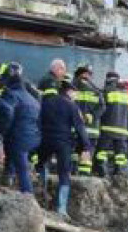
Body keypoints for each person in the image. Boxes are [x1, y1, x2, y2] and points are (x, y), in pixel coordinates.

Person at [37, 76, 91, 216]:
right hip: (63, 143)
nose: (75, 94)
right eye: (74, 91)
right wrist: (86, 147)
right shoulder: (71, 106)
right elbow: (80, 128)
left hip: (45, 140)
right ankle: (61, 209)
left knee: (41, 165)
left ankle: (41, 195)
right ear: (68, 91)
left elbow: (38, 121)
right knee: (64, 174)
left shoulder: (46, 102)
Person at [0, 63, 41, 195]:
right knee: (16, 156)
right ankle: (9, 177)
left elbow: (7, 114)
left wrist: (0, 132)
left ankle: (28, 196)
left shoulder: (12, 95)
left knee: (22, 169)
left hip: (20, 137)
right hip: (34, 137)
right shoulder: (32, 99)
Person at [96, 71, 128, 177]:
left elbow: (101, 108)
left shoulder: (106, 91)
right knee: (121, 154)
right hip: (122, 130)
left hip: (107, 128)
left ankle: (102, 172)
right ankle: (120, 174)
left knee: (101, 152)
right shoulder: (126, 94)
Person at [72, 63, 103, 176]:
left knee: (81, 153)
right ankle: (79, 174)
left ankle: (80, 175)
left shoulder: (94, 90)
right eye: (85, 73)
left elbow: (102, 107)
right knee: (79, 153)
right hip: (85, 129)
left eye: (88, 74)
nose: (86, 76)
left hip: (84, 129)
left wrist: (92, 115)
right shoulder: (94, 89)